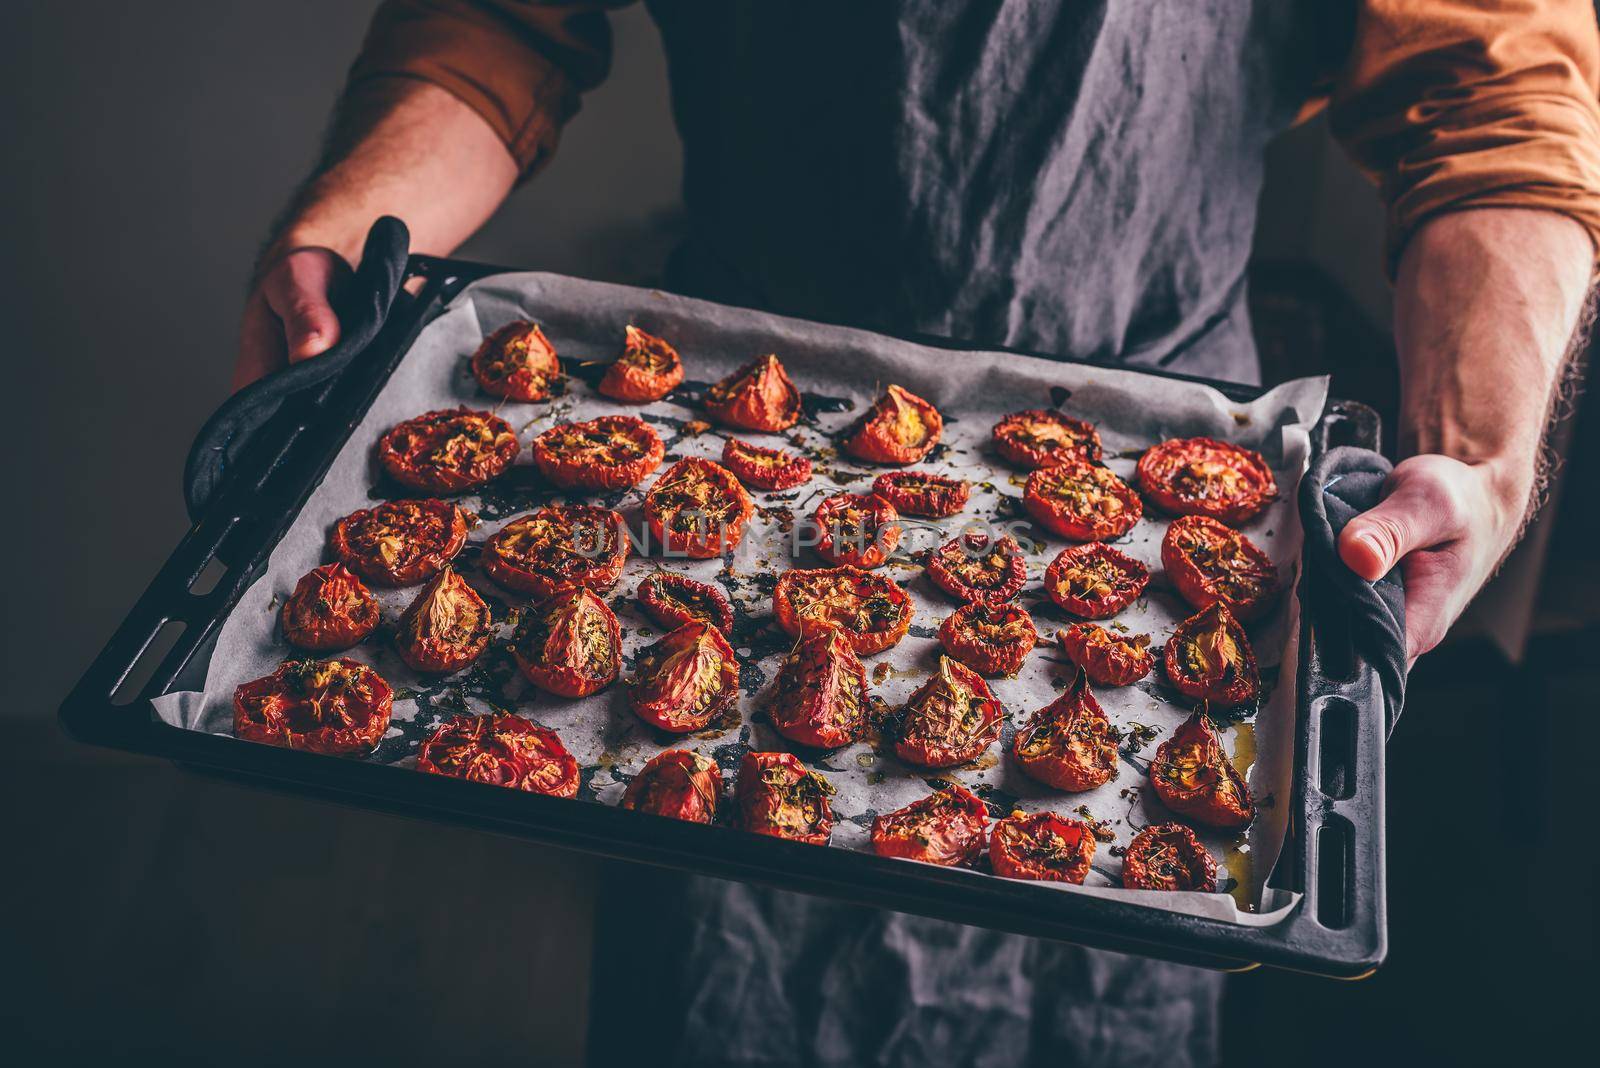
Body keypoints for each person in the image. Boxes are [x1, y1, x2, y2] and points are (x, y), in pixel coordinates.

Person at [234, 3, 1600, 1064]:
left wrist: (1478, 452)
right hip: (747, 427)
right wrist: (347, 227)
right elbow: (498, 17)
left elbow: (1491, 89)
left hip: (1159, 438)